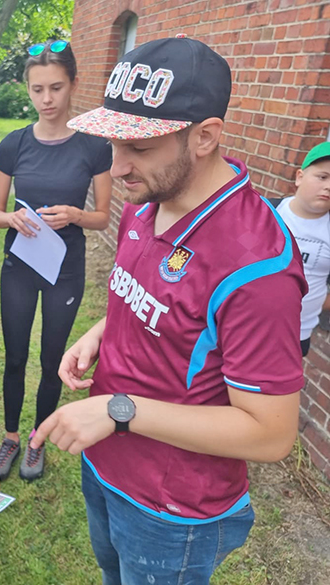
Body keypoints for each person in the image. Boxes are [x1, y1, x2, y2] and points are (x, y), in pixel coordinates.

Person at [29, 36, 307, 585]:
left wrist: (118, 412)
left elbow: (271, 435)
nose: (119, 167)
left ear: (205, 137)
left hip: (172, 507)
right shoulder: (147, 201)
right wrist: (100, 332)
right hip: (107, 462)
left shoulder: (257, 268)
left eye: (142, 147)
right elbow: (160, 301)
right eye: (114, 142)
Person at [0, 40, 113, 481]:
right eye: (37, 89)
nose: (46, 99)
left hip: (66, 266)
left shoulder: (95, 147)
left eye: (56, 88)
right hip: (20, 264)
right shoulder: (13, 144)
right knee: (16, 355)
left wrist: (76, 215)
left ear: (73, 85)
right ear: (28, 89)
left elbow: (101, 216)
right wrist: (12, 217)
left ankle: (37, 438)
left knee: (52, 356)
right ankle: (9, 438)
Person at [275, 141, 330, 356]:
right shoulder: (268, 212)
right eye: (322, 177)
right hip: (244, 325)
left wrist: (312, 302)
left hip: (295, 336)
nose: (328, 186)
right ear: (299, 177)